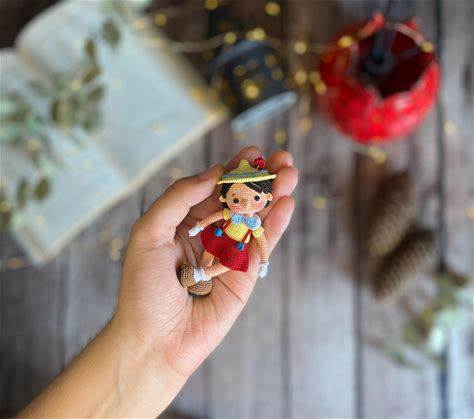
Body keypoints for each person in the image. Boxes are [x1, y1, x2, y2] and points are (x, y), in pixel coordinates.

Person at [20, 147, 298, 417]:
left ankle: (203, 275)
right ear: (226, 198)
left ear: (265, 199)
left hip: (236, 247)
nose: (245, 204)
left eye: (254, 199)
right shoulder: (227, 214)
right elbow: (214, 217)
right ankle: (201, 272)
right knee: (209, 251)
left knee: (228, 264)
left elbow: (262, 243)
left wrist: (263, 261)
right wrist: (199, 226)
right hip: (219, 237)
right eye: (237, 198)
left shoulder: (254, 225)